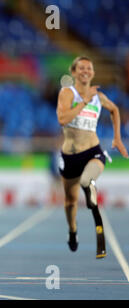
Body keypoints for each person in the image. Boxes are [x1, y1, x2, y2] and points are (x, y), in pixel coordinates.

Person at [56, 56, 128, 258]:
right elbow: (62, 119)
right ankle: (72, 231)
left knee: (87, 180)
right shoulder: (67, 93)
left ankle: (89, 188)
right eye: (81, 68)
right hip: (70, 156)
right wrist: (84, 102)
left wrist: (117, 138)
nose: (85, 71)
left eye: (89, 68)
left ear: (93, 73)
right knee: (70, 203)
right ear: (74, 72)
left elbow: (114, 110)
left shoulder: (99, 96)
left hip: (93, 151)